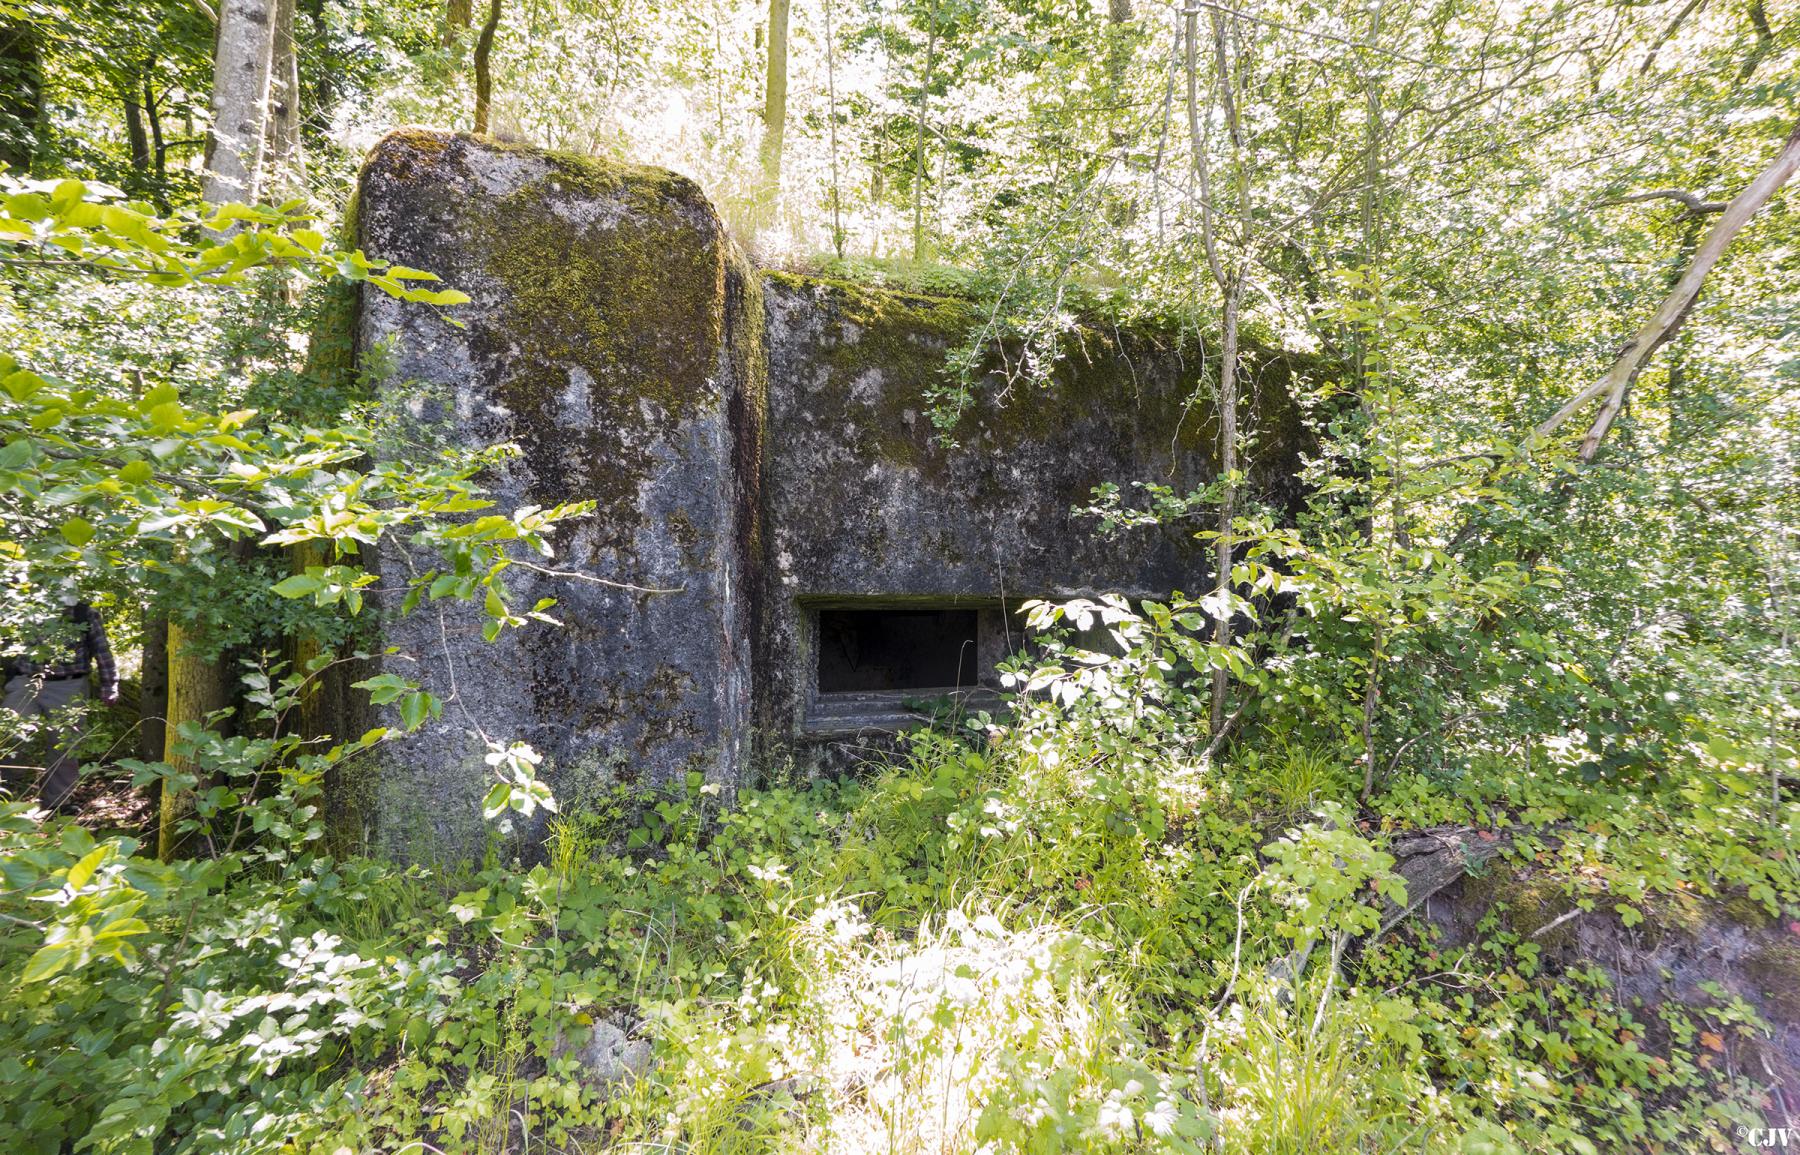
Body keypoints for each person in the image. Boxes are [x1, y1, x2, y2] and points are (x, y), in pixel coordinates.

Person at [1, 588, 118, 811]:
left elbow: (102, 651)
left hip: (69, 685)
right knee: (11, 734)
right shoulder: (23, 606)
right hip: (26, 680)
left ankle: (58, 804)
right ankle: (4, 793)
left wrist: (109, 685)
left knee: (66, 746)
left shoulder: (86, 614)